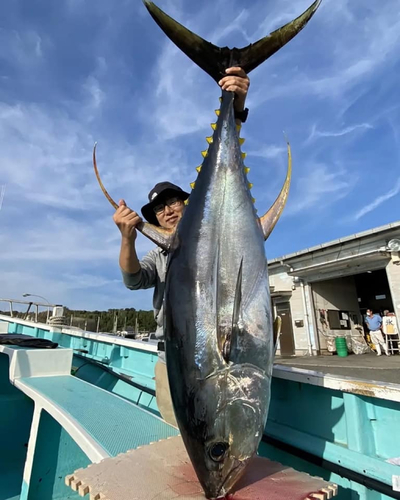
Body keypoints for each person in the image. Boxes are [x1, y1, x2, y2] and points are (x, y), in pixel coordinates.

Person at [113, 67, 250, 339]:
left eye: (173, 201)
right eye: (159, 210)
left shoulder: (217, 232)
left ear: (187, 204)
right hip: (175, 351)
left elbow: (226, 181)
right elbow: (134, 280)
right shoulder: (160, 255)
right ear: (155, 222)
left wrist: (236, 108)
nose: (167, 211)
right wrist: (127, 239)